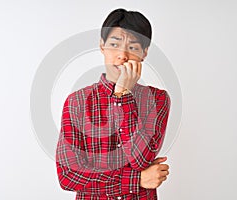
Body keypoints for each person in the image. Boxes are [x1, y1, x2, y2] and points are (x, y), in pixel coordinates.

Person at [56, 8, 171, 200]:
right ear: (102, 46)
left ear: (144, 53)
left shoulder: (157, 99)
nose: (122, 55)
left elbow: (141, 159)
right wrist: (137, 179)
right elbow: (68, 175)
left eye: (133, 47)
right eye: (115, 44)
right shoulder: (77, 101)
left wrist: (122, 96)